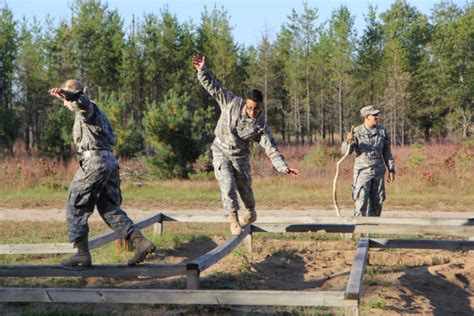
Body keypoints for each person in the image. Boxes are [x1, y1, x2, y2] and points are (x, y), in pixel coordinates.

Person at [48, 80, 156, 267]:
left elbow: (82, 101)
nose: (64, 104)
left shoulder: (86, 109)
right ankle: (140, 242)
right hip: (109, 162)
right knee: (109, 208)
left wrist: (70, 95)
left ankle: (82, 253)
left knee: (75, 204)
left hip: (95, 163)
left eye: (64, 100)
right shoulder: (96, 113)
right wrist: (69, 96)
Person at [192, 55, 299, 235]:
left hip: (240, 156)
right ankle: (233, 219)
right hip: (220, 149)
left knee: (245, 190)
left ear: (260, 108)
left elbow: (271, 148)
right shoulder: (231, 102)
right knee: (227, 183)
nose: (251, 111)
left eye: (255, 109)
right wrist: (202, 70)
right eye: (249, 107)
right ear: (245, 103)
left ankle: (249, 214)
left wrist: (283, 167)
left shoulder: (260, 125)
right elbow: (213, 87)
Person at [342, 105, 396, 217]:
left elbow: (387, 152)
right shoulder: (356, 132)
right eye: (374, 115)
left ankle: (371, 232)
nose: (377, 117)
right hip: (363, 173)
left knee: (377, 203)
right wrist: (348, 141)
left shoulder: (382, 132)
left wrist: (391, 169)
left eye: (377, 115)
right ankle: (359, 232)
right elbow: (346, 152)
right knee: (361, 202)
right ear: (367, 116)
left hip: (378, 172)